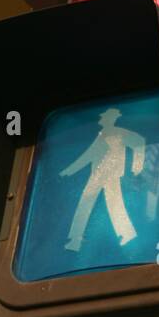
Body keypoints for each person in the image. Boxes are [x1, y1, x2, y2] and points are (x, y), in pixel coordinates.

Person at [61, 107, 145, 252]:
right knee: (87, 204)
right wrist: (68, 171)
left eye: (103, 117)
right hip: (97, 175)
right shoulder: (102, 134)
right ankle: (76, 240)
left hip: (110, 175)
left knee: (112, 204)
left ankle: (126, 234)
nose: (100, 119)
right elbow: (89, 155)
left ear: (109, 119)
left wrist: (137, 166)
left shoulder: (119, 133)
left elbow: (139, 141)